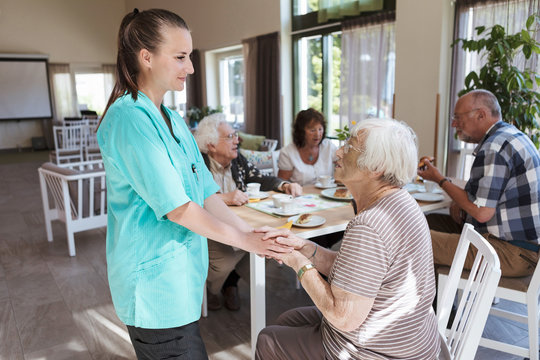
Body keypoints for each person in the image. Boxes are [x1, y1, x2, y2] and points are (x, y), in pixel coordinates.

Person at [96, 9, 290, 359]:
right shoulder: (129, 119)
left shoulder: (171, 119)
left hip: (179, 283)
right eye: (181, 57)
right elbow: (178, 208)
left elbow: (206, 192)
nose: (191, 68)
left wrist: (252, 235)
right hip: (153, 289)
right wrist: (244, 240)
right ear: (147, 58)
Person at [256, 118, 440, 359]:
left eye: (350, 147)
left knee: (268, 340)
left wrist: (298, 263)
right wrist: (303, 247)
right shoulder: (402, 201)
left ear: (376, 167)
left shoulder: (369, 225)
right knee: (286, 320)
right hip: (411, 338)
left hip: (378, 351)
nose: (339, 151)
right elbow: (359, 271)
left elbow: (343, 317)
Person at [419, 89, 540, 277]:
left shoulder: (494, 146)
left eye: (458, 118)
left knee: (414, 238)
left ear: (481, 115)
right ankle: (440, 301)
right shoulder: (511, 136)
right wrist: (459, 202)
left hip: (510, 253)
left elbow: (482, 213)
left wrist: (439, 179)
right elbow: (486, 195)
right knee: (424, 222)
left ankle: (427, 305)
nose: (453, 124)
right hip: (521, 248)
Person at [194, 113, 302, 311]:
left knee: (269, 243)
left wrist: (284, 184)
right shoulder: (198, 165)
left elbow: (261, 178)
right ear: (210, 144)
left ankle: (230, 283)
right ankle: (212, 288)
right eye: (230, 137)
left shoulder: (237, 161)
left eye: (236, 135)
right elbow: (191, 199)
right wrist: (224, 198)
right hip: (210, 229)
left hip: (242, 223)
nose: (237, 140)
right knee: (225, 258)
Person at [278, 108, 337, 185]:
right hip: (298, 196)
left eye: (320, 129)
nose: (317, 134)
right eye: (312, 130)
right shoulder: (287, 153)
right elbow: (282, 184)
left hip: (326, 195)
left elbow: (345, 166)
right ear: (301, 132)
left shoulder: (328, 146)